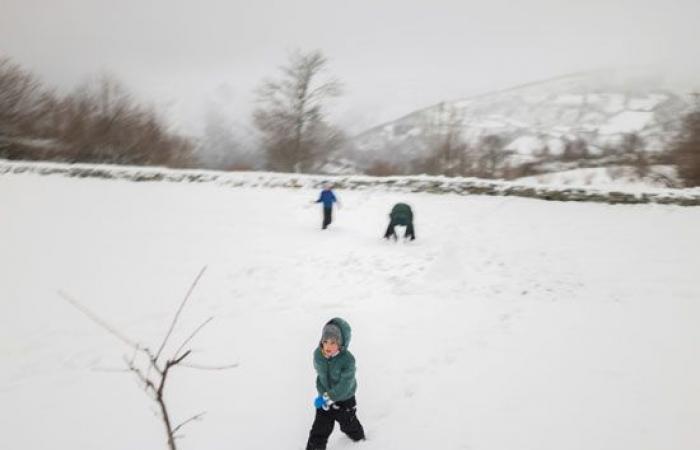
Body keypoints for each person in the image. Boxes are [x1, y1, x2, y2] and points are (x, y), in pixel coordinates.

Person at [306, 318, 365, 450]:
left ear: (341, 344)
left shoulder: (348, 361)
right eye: (325, 341)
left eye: (333, 342)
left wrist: (328, 397)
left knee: (348, 424)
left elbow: (345, 385)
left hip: (345, 399)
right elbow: (320, 376)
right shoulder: (318, 355)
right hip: (325, 398)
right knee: (319, 429)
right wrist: (322, 395)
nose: (328, 346)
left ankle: (360, 441)